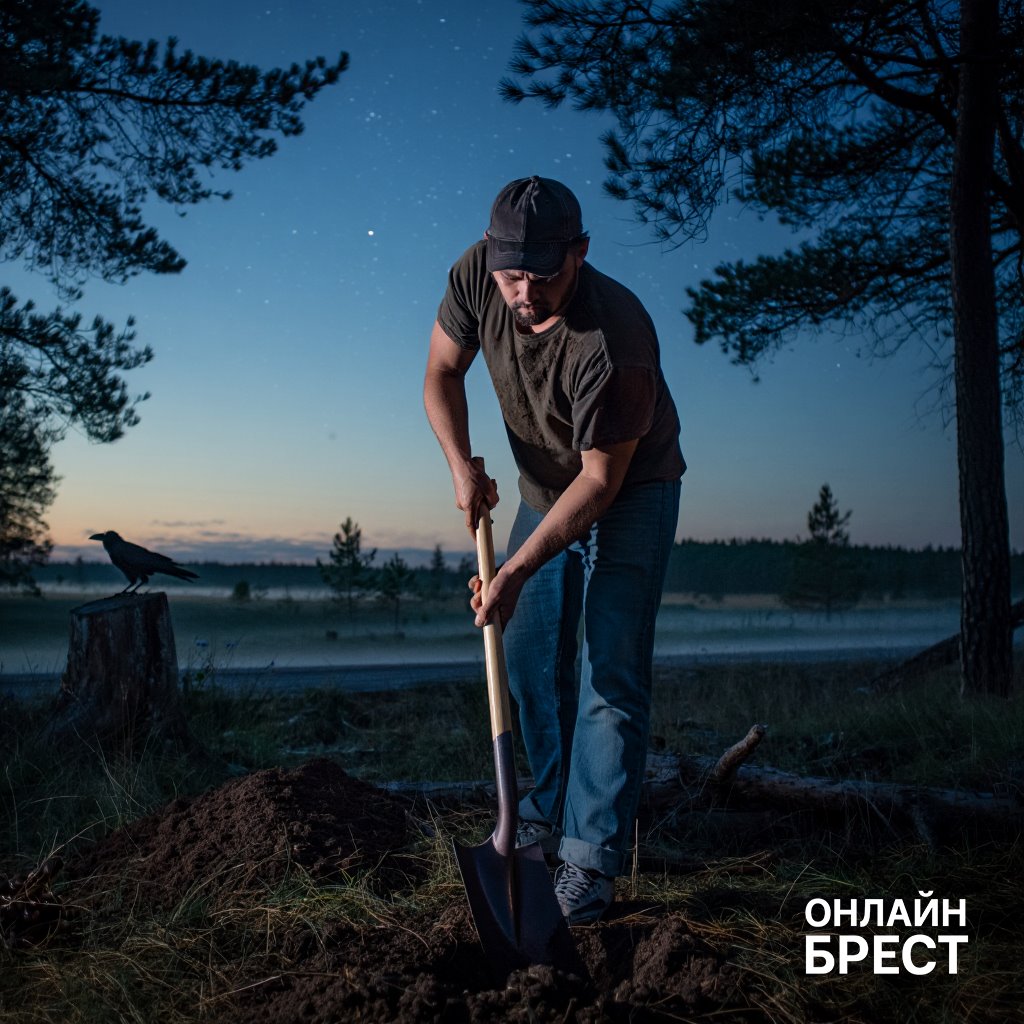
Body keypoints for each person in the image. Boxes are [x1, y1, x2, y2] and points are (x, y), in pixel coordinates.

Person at [423, 175, 685, 924]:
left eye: (542, 275)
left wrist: (516, 566)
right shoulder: (477, 272)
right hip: (543, 486)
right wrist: (461, 464)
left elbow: (601, 482)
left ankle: (589, 861)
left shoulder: (618, 340)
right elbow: (442, 372)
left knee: (608, 670)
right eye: (511, 275)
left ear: (580, 253)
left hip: (628, 490)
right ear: (490, 255)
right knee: (531, 655)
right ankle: (540, 806)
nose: (524, 293)